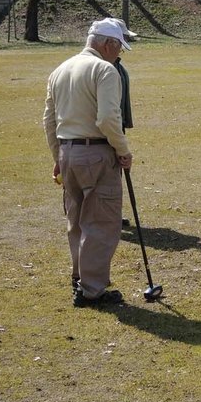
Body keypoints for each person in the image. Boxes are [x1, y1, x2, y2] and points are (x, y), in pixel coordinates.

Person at [43, 18, 134, 306]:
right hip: (97, 153)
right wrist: (123, 150)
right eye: (119, 47)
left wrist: (57, 156)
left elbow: (48, 120)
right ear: (108, 44)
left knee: (77, 220)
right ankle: (92, 290)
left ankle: (80, 278)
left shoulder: (60, 69)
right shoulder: (105, 70)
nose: (119, 54)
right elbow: (108, 118)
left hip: (68, 153)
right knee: (101, 223)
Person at [109, 18, 137, 228]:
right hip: (108, 129)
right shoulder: (106, 68)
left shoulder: (116, 64)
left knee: (114, 174)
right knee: (108, 175)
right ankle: (108, 216)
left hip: (116, 126)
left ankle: (112, 214)